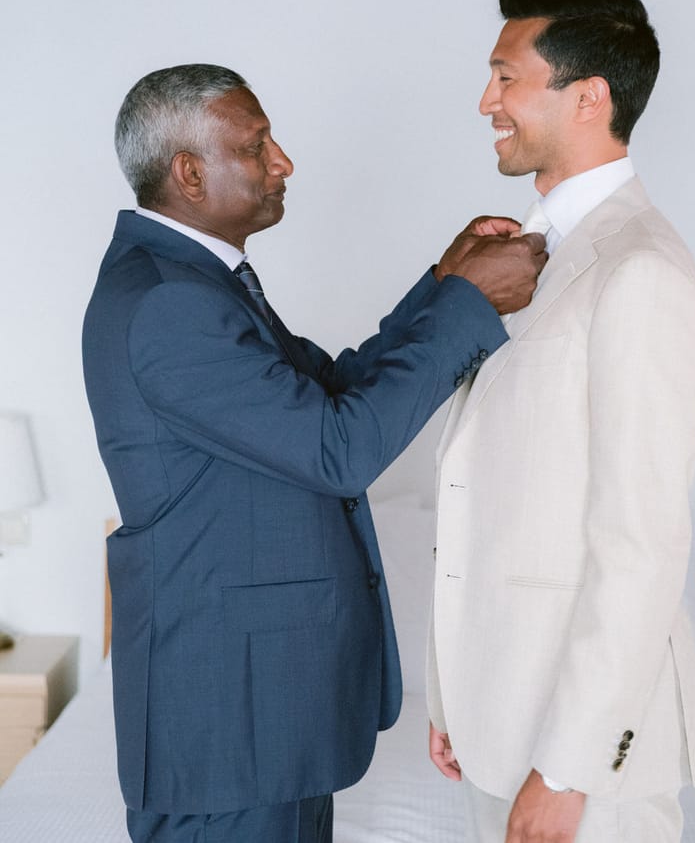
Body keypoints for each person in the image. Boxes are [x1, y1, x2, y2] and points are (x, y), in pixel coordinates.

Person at [82, 63, 546, 843]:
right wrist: (469, 305)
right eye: (256, 145)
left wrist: (443, 283)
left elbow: (328, 394)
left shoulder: (194, 284)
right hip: (229, 724)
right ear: (189, 174)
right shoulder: (169, 302)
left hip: (268, 716)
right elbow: (339, 448)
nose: (283, 162)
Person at [427, 0, 695, 843]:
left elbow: (641, 540)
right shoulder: (525, 254)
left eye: (505, 77)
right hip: (499, 718)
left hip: (583, 761)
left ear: (590, 97)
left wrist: (568, 767)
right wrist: (454, 692)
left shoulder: (641, 270)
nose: (486, 102)